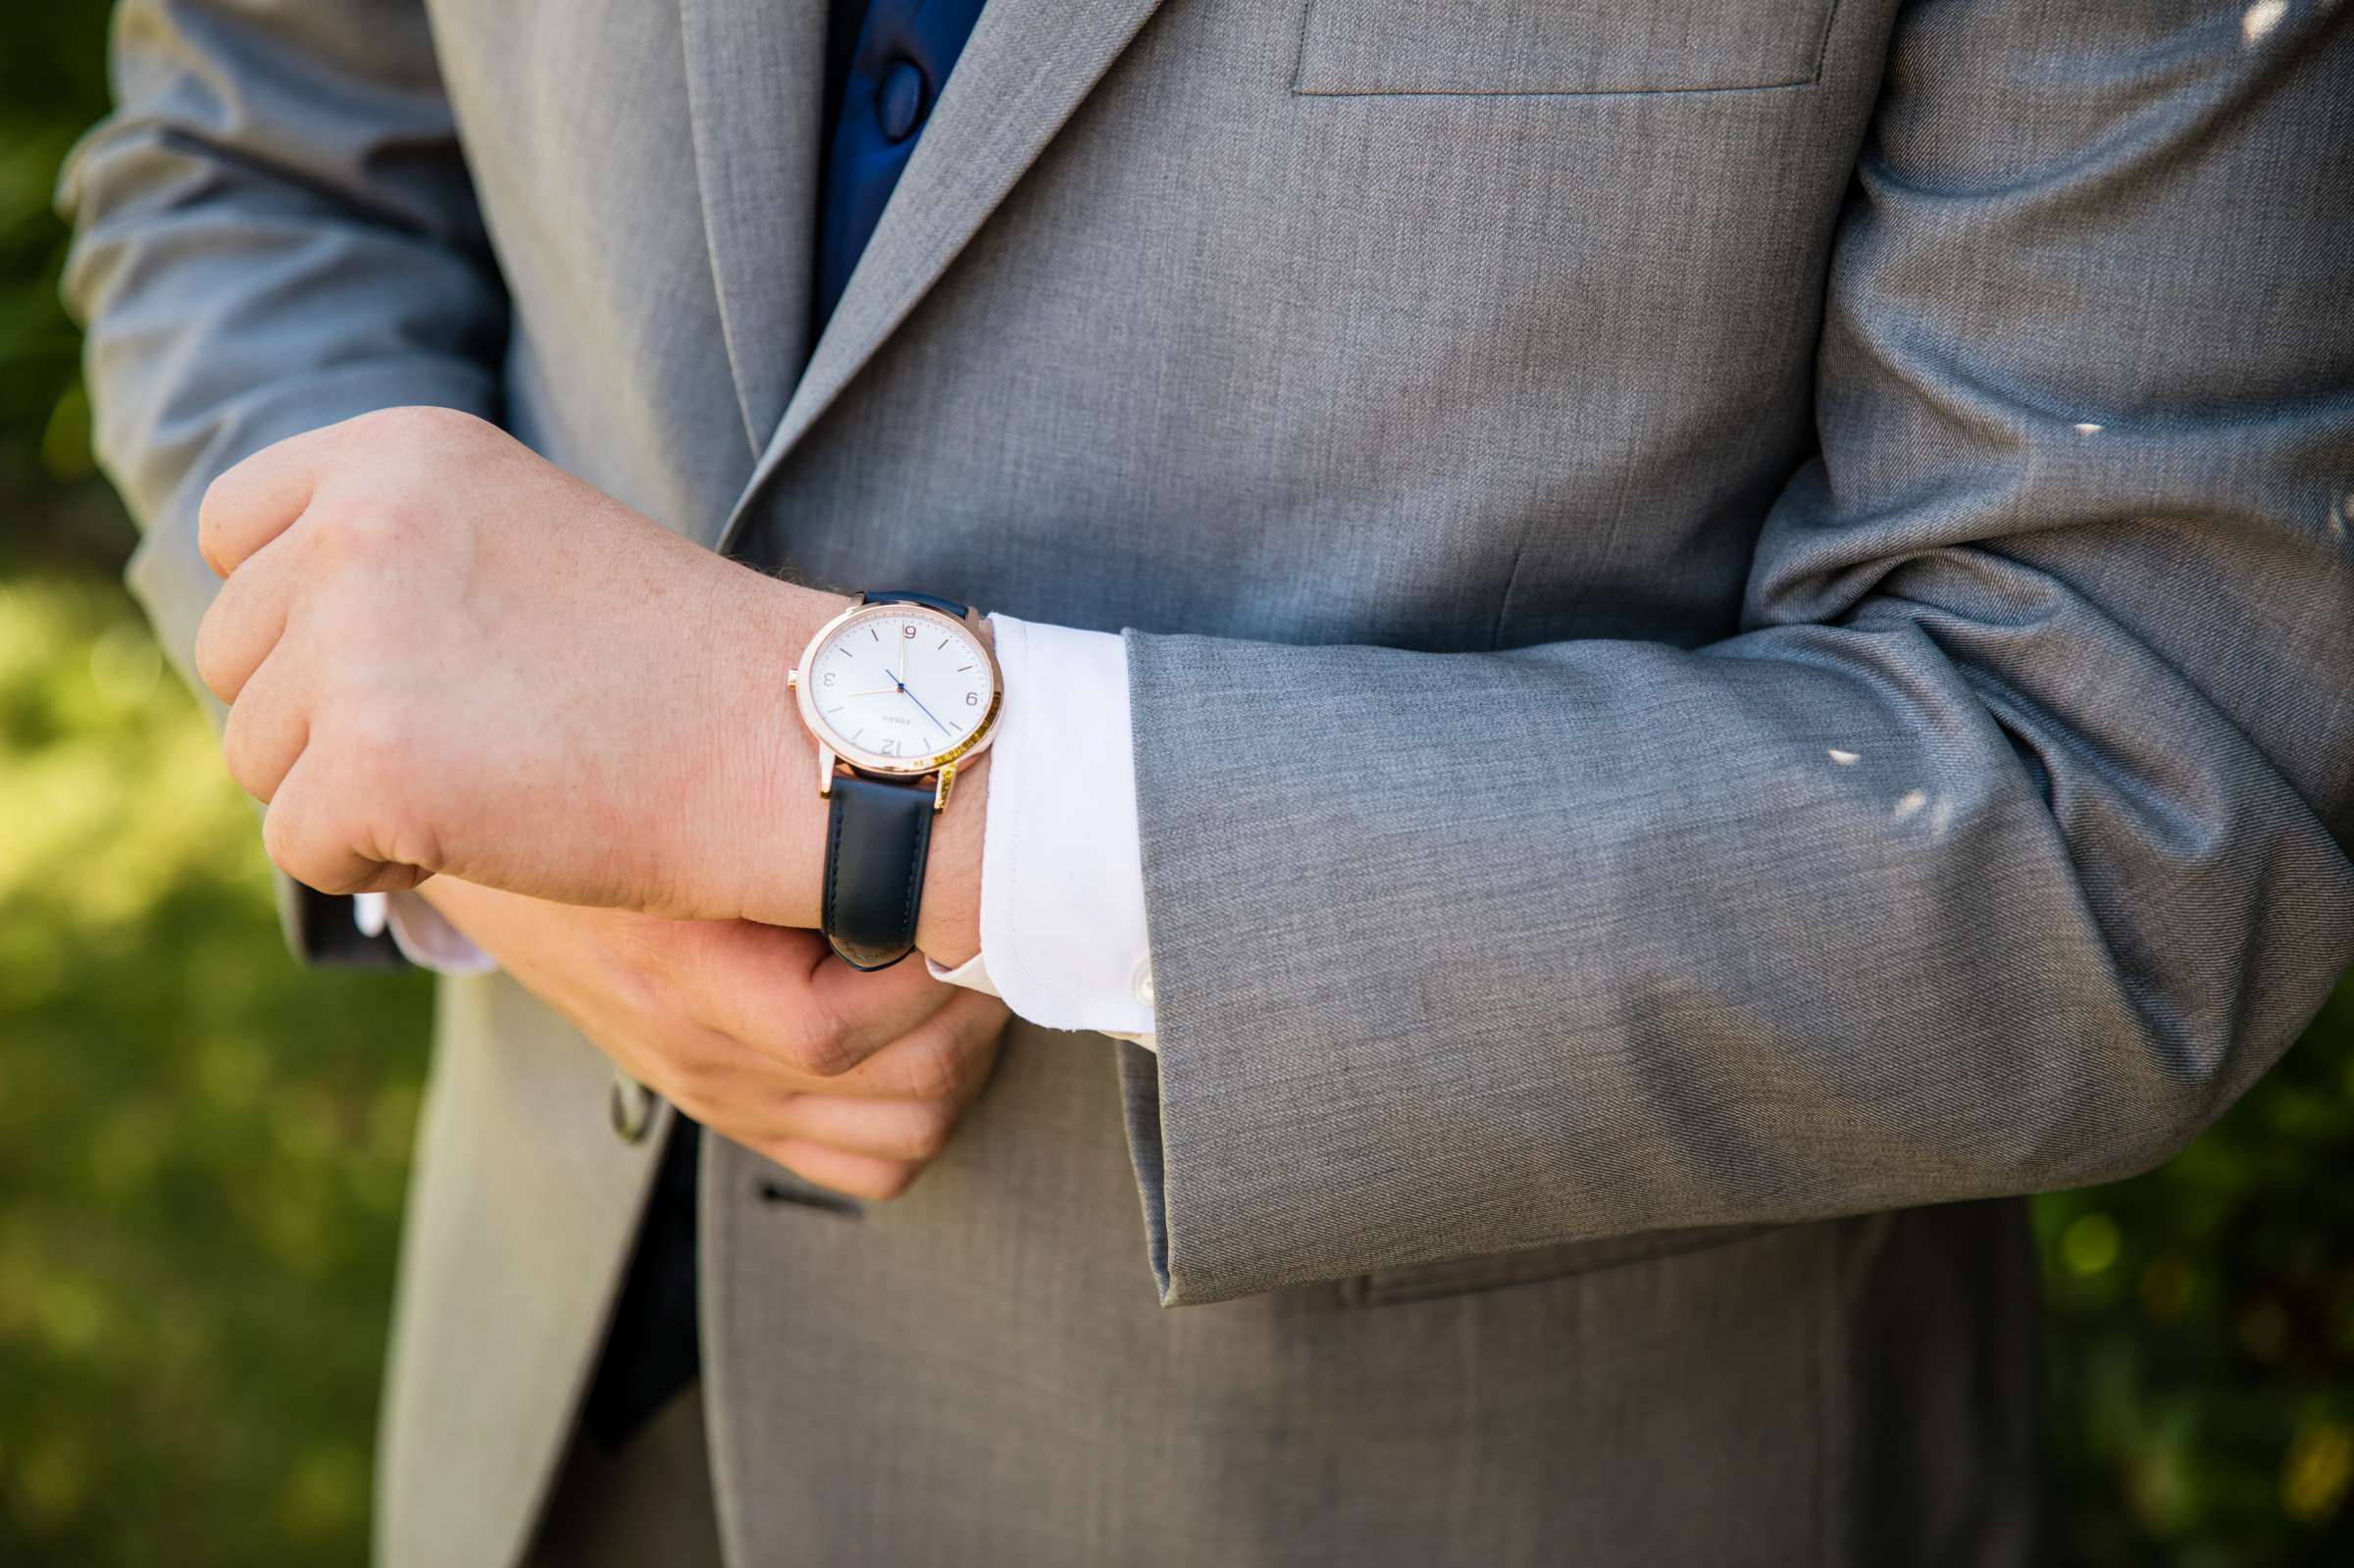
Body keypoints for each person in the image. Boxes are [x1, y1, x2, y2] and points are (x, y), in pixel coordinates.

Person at [62, 0, 2354, 1561]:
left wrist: (844, 784)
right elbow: (250, 150)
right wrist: (480, 819)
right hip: (559, 1423)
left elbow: (2119, 784)